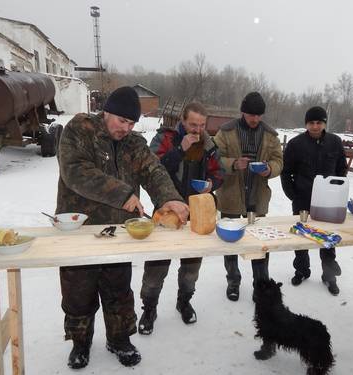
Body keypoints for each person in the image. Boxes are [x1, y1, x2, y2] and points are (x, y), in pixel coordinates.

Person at [56, 86, 189, 369]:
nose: (126, 129)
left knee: (118, 289)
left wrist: (170, 199)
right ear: (106, 112)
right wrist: (123, 194)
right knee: (79, 292)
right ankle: (80, 344)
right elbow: (75, 171)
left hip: (119, 231)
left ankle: (118, 340)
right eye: (121, 121)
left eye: (131, 124)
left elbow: (154, 171)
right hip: (80, 229)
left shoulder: (134, 144)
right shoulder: (80, 129)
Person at [138, 102, 224, 334]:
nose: (197, 130)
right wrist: (179, 150)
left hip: (197, 213)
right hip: (166, 211)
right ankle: (149, 309)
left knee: (191, 266)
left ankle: (184, 301)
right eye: (193, 124)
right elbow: (151, 170)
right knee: (157, 265)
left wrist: (211, 184)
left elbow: (219, 173)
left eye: (202, 125)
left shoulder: (209, 144)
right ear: (183, 121)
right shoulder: (165, 139)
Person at [214, 92, 283, 301]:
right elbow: (214, 158)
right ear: (243, 112)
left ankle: (261, 285)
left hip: (258, 196)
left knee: (260, 244)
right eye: (251, 115)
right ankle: (233, 281)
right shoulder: (226, 132)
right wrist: (233, 164)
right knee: (230, 245)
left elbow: (279, 160)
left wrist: (269, 169)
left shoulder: (271, 135)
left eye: (259, 115)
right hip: (231, 196)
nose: (255, 119)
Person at [280, 106, 347, 296]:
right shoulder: (296, 144)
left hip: (328, 200)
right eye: (311, 123)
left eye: (319, 122)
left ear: (324, 123)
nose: (315, 126)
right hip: (302, 198)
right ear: (306, 124)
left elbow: (341, 168)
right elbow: (286, 172)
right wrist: (293, 194)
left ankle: (329, 275)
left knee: (327, 237)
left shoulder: (334, 142)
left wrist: (335, 190)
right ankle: (302, 271)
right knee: (301, 237)